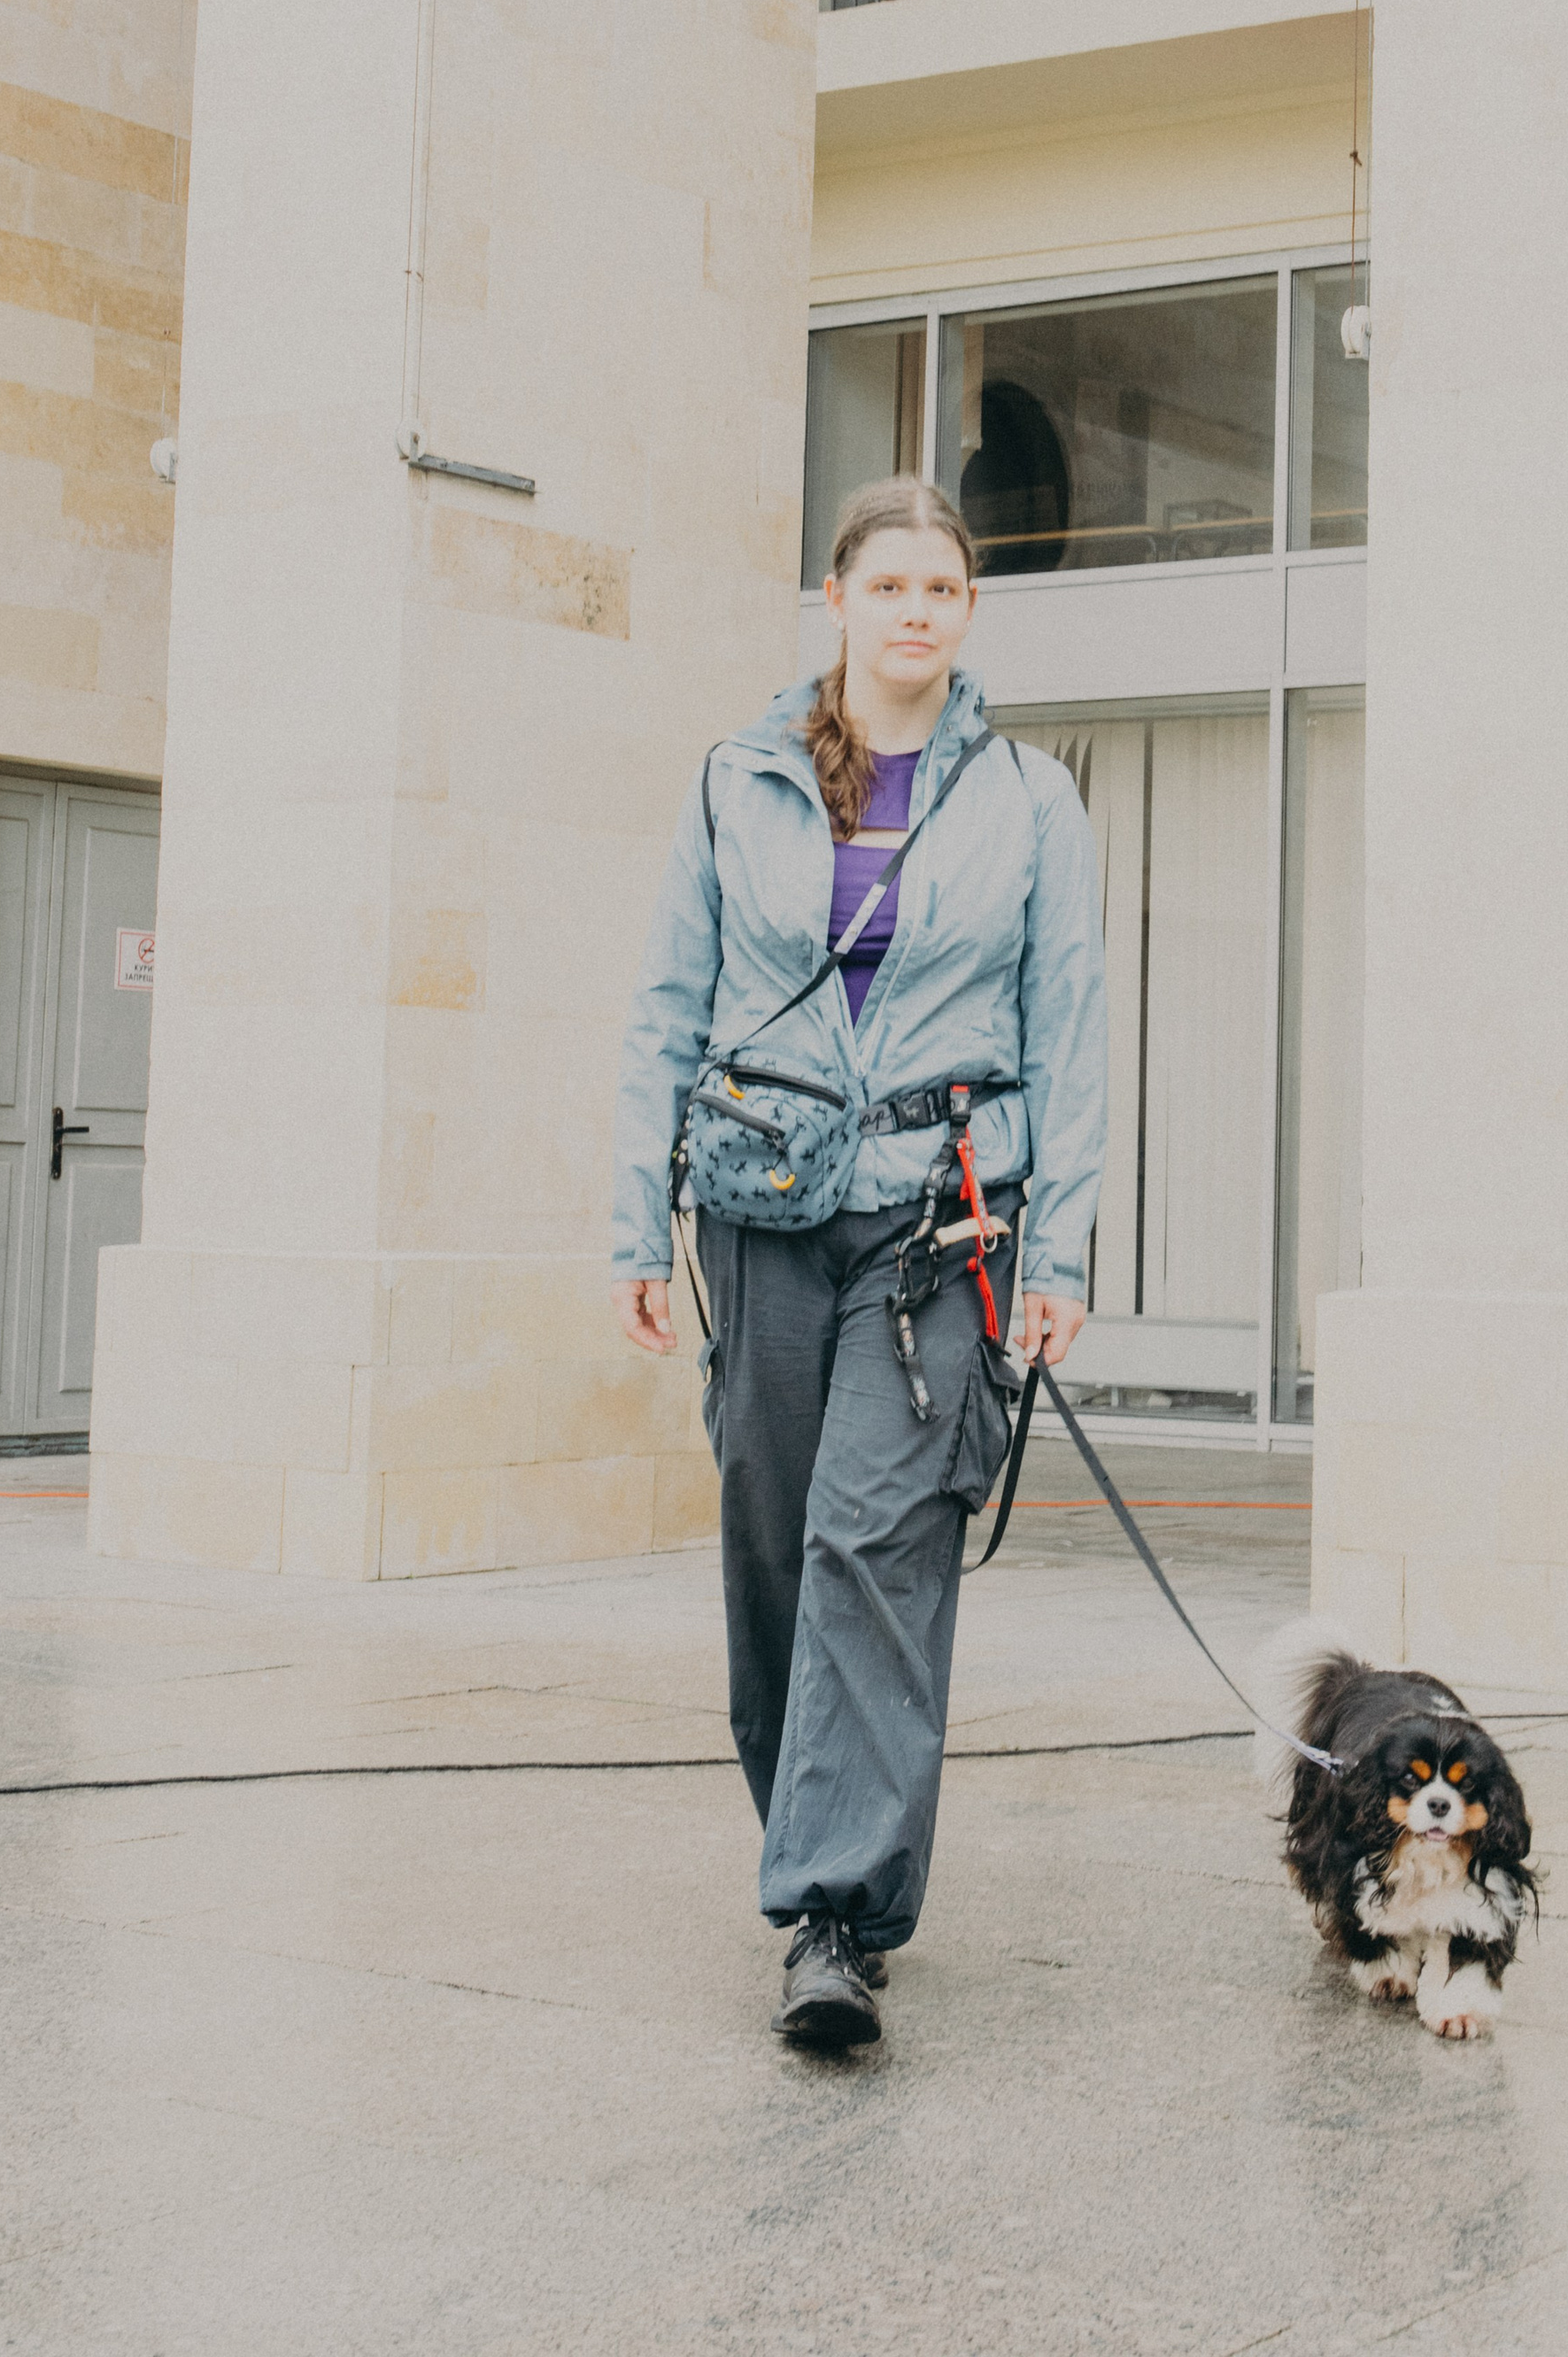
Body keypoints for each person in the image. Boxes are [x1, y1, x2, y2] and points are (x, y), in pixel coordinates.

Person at [609, 476, 1106, 2048]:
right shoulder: (735, 779)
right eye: (889, 585)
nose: (915, 612)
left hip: (938, 1224)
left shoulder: (1030, 797)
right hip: (757, 1215)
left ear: (968, 614)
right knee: (771, 1540)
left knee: (871, 1546)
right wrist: (637, 1216)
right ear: (837, 600)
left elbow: (1072, 1037)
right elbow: (664, 1013)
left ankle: (835, 1912)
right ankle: (816, 1833)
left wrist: (1064, 1250)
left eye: (943, 591)